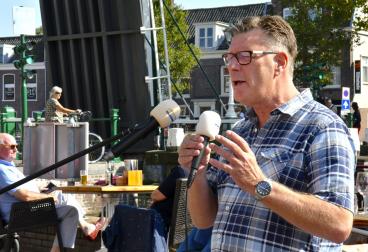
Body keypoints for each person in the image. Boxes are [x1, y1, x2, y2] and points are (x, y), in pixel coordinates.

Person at [178, 16, 355, 251]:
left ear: (279, 63)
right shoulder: (240, 131)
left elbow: (339, 224)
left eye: (245, 56)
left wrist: (259, 184)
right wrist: (197, 174)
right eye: (229, 57)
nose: (231, 66)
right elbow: (204, 219)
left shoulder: (323, 127)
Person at [0, 133, 105, 252]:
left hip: (26, 210)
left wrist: (39, 191)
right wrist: (46, 197)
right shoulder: (2, 169)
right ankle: (85, 228)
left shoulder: (9, 167)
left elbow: (22, 192)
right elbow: (24, 196)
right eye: (12, 146)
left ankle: (82, 230)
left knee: (68, 205)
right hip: (21, 214)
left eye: (17, 146)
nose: (16, 149)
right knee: (66, 203)